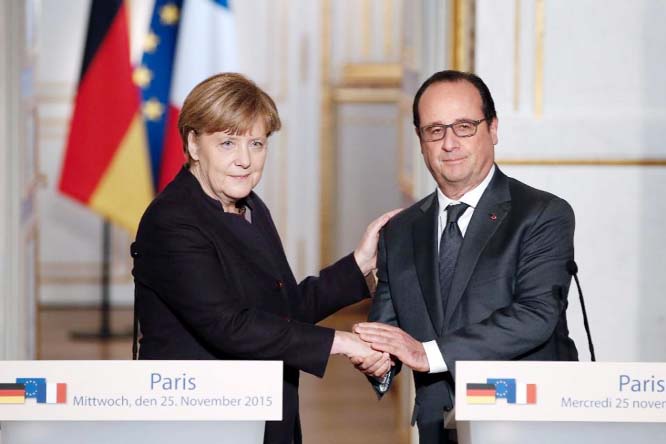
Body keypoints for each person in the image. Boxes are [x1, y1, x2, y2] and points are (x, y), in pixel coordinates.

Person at [131, 73, 397, 444]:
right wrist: (343, 343)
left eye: (256, 143)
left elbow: (282, 310)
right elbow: (229, 326)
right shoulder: (171, 220)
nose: (244, 160)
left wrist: (360, 264)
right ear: (193, 143)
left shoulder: (250, 206)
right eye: (227, 143)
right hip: (201, 420)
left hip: (264, 411)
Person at [352, 70, 579, 443]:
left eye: (464, 126)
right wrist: (378, 363)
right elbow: (389, 336)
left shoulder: (542, 213)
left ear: (493, 129)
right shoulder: (399, 231)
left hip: (525, 418)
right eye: (435, 130)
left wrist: (430, 354)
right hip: (439, 427)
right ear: (421, 141)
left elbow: (537, 315)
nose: (449, 143)